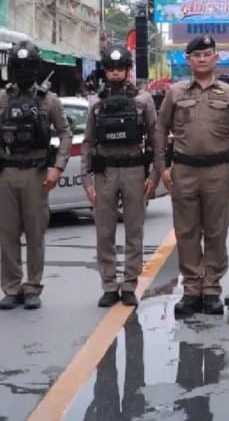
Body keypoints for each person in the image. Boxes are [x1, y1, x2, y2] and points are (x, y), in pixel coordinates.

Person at [0, 41, 72, 310]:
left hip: (37, 174)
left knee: (35, 233)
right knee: (7, 232)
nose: (24, 71)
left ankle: (33, 287)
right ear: (11, 69)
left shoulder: (48, 100)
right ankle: (12, 287)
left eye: (29, 66)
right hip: (6, 173)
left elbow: (65, 133)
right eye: (19, 66)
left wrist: (57, 167)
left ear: (37, 68)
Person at [158, 35, 229, 317]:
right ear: (188, 60)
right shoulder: (175, 93)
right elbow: (160, 130)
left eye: (207, 54)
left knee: (216, 231)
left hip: (216, 172)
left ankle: (211, 289)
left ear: (215, 58)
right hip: (184, 170)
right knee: (186, 232)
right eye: (196, 55)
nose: (201, 59)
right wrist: (162, 166)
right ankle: (191, 290)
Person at [82, 43, 159, 308]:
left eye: (120, 68)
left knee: (134, 230)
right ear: (105, 71)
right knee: (104, 231)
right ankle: (109, 285)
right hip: (104, 173)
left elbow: (155, 138)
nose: (115, 73)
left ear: (127, 70)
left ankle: (129, 284)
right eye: (111, 68)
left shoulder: (143, 99)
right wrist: (85, 178)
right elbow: (88, 141)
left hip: (134, 171)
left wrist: (155, 175)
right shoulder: (95, 101)